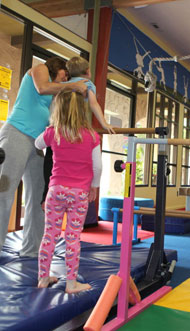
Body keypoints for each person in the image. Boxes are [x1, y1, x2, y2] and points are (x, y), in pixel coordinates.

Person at [0, 57, 87, 257]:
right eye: (64, 75)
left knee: (40, 197)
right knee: (4, 192)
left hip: (38, 143)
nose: (64, 80)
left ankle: (31, 250)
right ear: (58, 68)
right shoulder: (40, 70)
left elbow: (51, 117)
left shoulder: (54, 92)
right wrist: (72, 85)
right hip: (17, 134)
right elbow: (41, 88)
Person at [35, 88, 102, 293]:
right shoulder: (91, 135)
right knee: (73, 237)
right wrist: (94, 186)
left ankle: (43, 278)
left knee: (49, 235)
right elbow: (97, 166)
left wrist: (51, 132)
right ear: (82, 112)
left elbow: (37, 144)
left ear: (58, 111)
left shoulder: (53, 132)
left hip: (56, 191)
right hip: (79, 193)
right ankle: (71, 283)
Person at [40, 56, 115, 205]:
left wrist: (51, 124)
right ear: (88, 71)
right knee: (79, 158)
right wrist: (105, 123)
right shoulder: (87, 84)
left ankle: (47, 194)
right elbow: (93, 104)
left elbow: (55, 103)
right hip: (75, 128)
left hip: (58, 128)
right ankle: (77, 189)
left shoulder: (64, 84)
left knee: (52, 158)